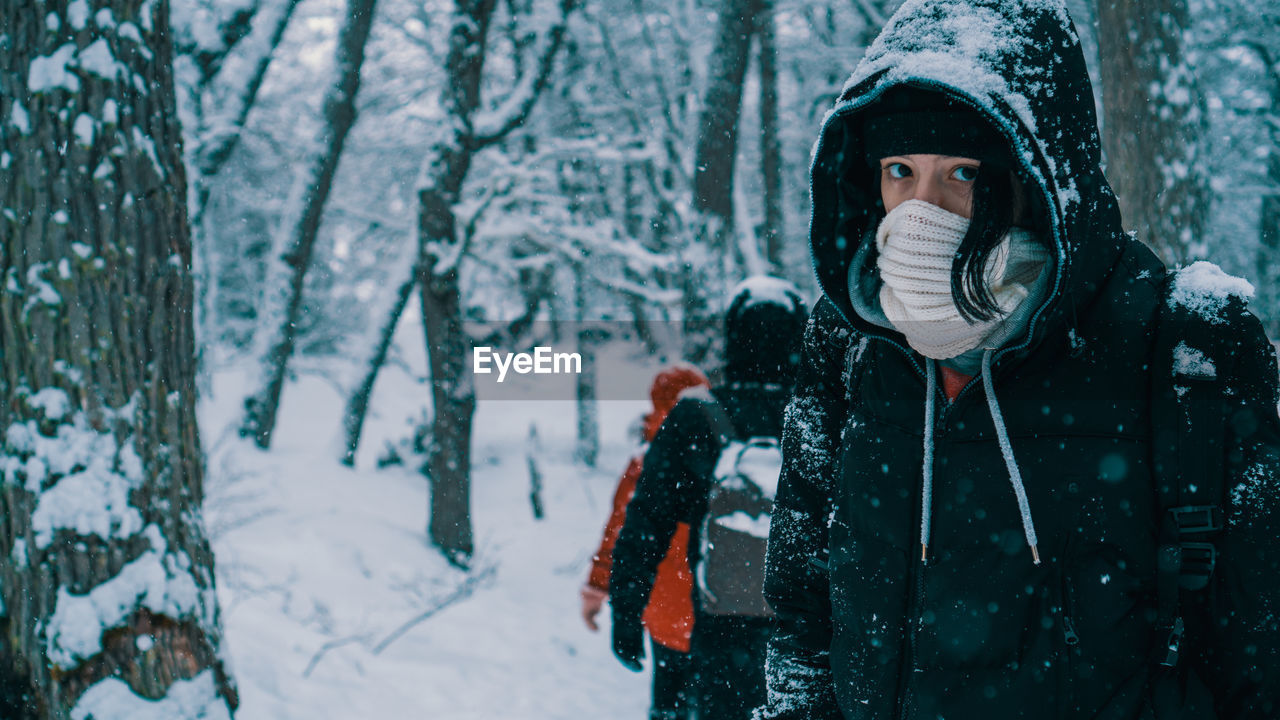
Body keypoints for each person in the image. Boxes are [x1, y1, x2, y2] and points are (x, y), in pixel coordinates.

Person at [756, 1, 1280, 719]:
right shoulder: (851, 341)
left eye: (963, 173)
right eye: (899, 170)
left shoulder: (1182, 347)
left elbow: (1256, 639)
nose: (920, 208)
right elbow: (802, 599)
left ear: (1037, 174)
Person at [611, 277, 809, 720]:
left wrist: (626, 608)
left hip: (722, 627)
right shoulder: (830, 414)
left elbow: (647, 522)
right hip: (809, 631)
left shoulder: (696, 416)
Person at [581, 364, 710, 720]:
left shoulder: (645, 462)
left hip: (664, 608)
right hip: (720, 603)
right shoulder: (723, 450)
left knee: (670, 698)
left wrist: (598, 588)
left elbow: (620, 535)